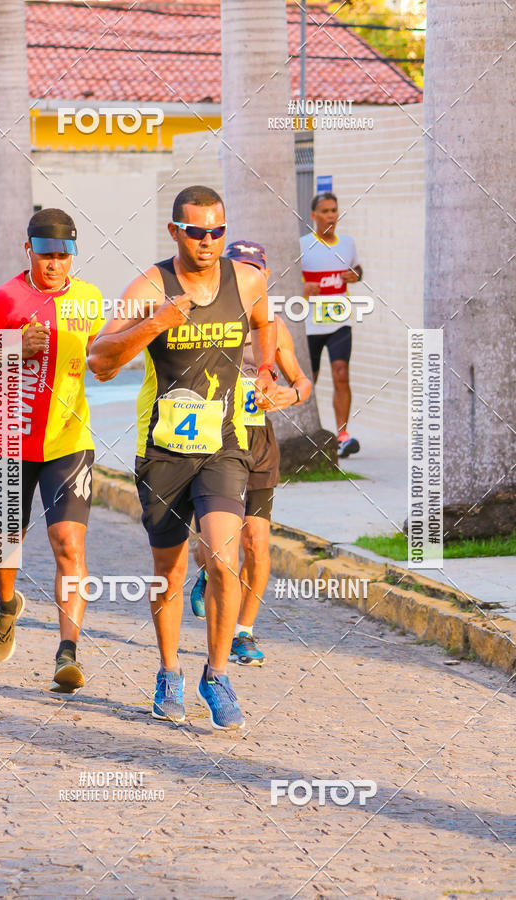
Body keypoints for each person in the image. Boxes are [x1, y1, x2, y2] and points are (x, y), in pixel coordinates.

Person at [88, 185, 276, 730]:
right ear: (175, 232)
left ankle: (215, 675)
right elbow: (100, 359)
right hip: (165, 448)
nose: (209, 242)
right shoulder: (150, 286)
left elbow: (267, 326)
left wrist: (264, 373)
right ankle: (168, 672)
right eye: (196, 232)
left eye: (218, 231)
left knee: (222, 560)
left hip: (224, 443)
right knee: (169, 572)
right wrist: (155, 323)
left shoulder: (247, 280)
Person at [0, 208, 104, 693]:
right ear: (28, 251)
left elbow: (103, 354)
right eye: (46, 255)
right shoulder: (2, 301)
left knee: (69, 545)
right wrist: (12, 345)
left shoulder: (90, 300)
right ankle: (7, 603)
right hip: (10, 440)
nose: (56, 264)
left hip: (69, 442)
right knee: (5, 542)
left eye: (64, 256)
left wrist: (110, 364)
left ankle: (68, 652)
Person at [190, 240, 312, 667]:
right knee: (214, 545)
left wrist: (287, 395)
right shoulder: (202, 320)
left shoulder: (274, 328)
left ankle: (244, 632)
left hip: (257, 441)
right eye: (240, 269)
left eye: (254, 272)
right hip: (208, 441)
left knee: (257, 544)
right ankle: (208, 571)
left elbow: (302, 383)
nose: (247, 279)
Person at [300, 192, 363, 458]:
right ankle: (305, 431)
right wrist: (302, 287)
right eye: (325, 211)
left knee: (341, 372)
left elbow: (358, 269)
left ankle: (343, 435)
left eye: (334, 210)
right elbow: (284, 279)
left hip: (339, 321)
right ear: (314, 215)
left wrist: (356, 275)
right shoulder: (302, 245)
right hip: (309, 324)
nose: (330, 216)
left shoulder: (347, 244)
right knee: (309, 379)